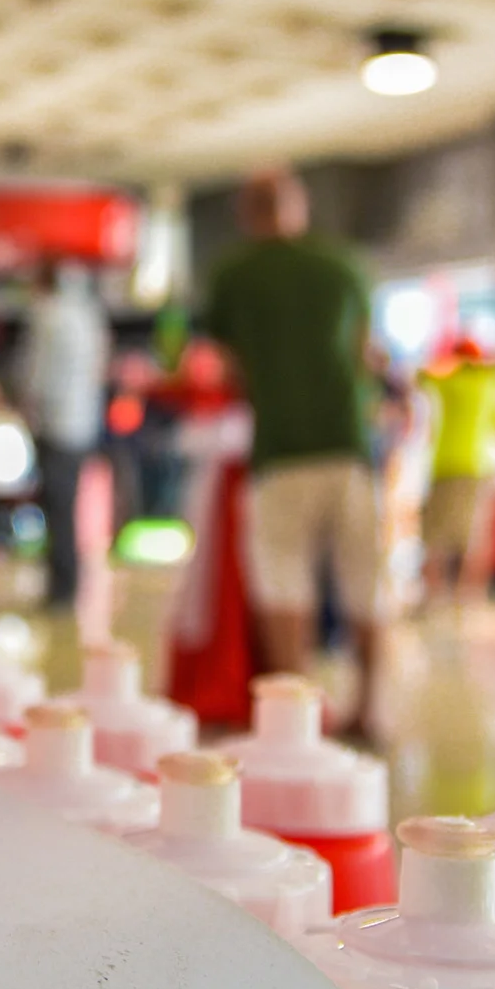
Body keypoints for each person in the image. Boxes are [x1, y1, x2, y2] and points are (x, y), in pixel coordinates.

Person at [200, 168, 388, 720]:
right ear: (298, 206)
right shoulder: (343, 266)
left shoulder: (234, 275)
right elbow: (365, 355)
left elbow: (226, 366)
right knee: (364, 577)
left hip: (279, 450)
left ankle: (298, 716)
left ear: (246, 214)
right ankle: (369, 707)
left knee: (283, 579)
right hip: (348, 446)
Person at [18, 262, 111, 611]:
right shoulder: (89, 317)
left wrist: (27, 411)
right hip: (82, 426)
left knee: (57, 509)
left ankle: (61, 588)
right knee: (68, 507)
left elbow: (36, 375)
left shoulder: (47, 316)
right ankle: (69, 584)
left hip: (54, 425)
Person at [419, 335, 495, 606]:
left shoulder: (451, 381)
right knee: (475, 536)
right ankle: (470, 597)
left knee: (435, 536)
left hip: (447, 464)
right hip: (482, 466)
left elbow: (422, 374)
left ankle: (435, 596)